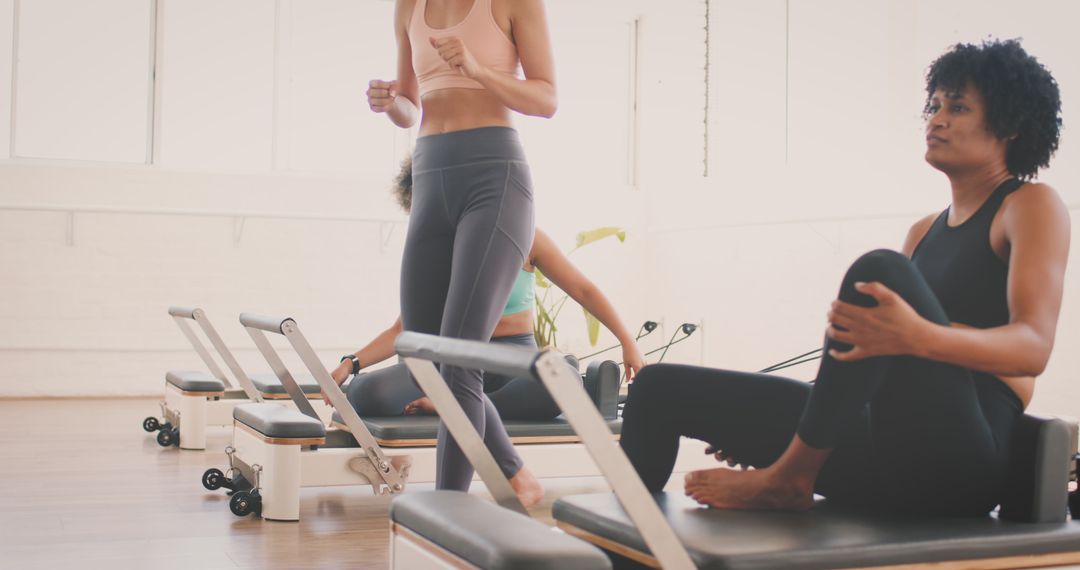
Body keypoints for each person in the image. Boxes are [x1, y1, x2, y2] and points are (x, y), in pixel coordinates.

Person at [620, 39, 1069, 516]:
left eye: (957, 108)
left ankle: (792, 476)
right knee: (657, 388)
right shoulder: (923, 232)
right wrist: (786, 428)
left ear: (1011, 126)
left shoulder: (1029, 206)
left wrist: (920, 337)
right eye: (935, 106)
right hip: (882, 449)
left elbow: (1032, 348)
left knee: (878, 273)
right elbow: (867, 366)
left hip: (959, 464)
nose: (937, 119)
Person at [366, 0, 557, 505]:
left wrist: (475, 68)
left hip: (494, 176)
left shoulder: (516, 4)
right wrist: (390, 102)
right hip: (431, 172)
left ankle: (446, 516)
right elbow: (411, 105)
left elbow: (546, 99)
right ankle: (516, 471)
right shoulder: (408, 7)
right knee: (423, 358)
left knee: (458, 361)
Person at [328, 156, 646, 422]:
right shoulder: (437, 248)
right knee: (367, 394)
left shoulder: (525, 237)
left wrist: (627, 340)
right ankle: (464, 402)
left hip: (513, 360)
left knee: (563, 382)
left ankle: (458, 405)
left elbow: (583, 290)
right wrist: (349, 364)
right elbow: (402, 328)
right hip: (451, 360)